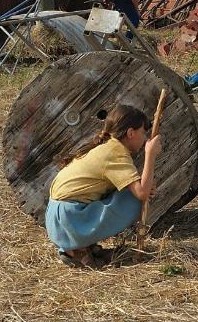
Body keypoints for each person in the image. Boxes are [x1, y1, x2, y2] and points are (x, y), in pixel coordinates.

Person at [45, 104, 160, 268]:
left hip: (60, 216)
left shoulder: (108, 147)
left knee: (130, 191)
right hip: (67, 221)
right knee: (133, 199)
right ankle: (76, 249)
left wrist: (145, 186)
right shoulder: (116, 153)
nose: (145, 139)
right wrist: (150, 155)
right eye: (143, 132)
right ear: (131, 133)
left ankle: (84, 246)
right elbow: (141, 194)